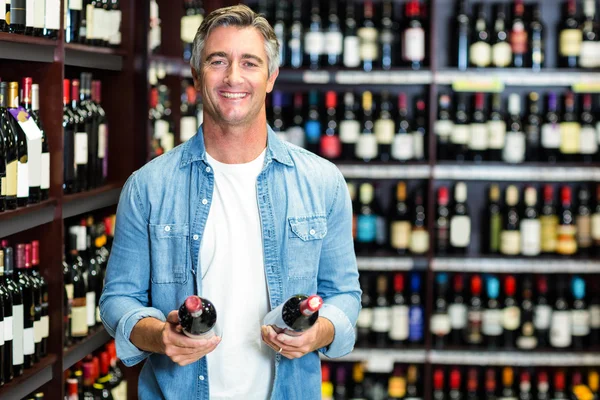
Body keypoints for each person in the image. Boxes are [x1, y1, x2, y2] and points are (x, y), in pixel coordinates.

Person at [99, 4, 361, 400]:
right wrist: (158, 336)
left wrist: (318, 332)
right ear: (196, 74)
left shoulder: (323, 183)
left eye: (250, 63)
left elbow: (344, 294)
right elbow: (117, 300)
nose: (233, 77)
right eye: (218, 61)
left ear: (271, 77)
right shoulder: (147, 186)